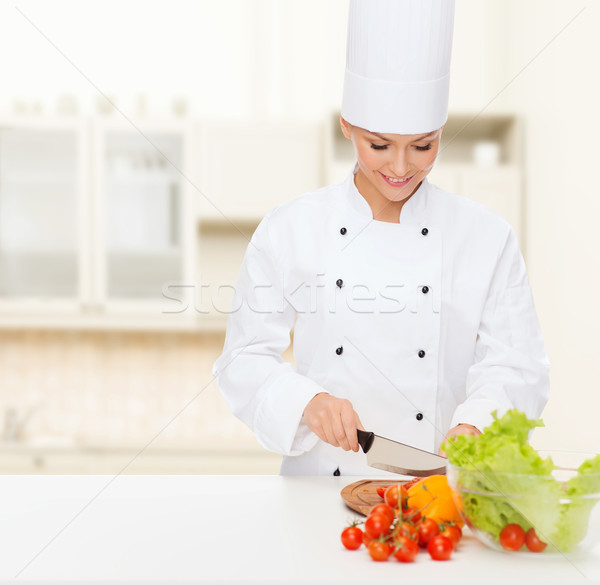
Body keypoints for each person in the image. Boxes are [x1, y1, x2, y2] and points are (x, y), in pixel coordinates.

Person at [213, 0, 549, 476]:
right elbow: (242, 360)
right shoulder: (290, 230)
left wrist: (478, 424)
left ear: (440, 131)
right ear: (347, 125)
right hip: (318, 497)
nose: (399, 168)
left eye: (423, 146)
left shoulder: (487, 238)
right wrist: (307, 401)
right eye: (379, 145)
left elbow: (518, 366)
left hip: (435, 497)